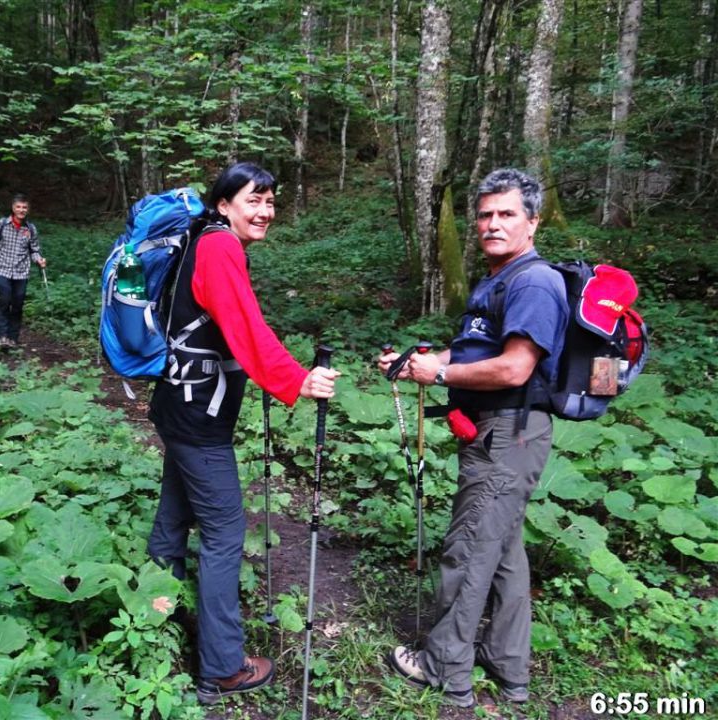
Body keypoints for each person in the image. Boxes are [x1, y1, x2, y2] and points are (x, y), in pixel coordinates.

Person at [146, 162, 340, 705]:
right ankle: (223, 667)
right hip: (198, 418)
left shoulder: (199, 239)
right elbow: (245, 326)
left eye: (272, 202)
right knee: (225, 535)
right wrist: (298, 380)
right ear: (225, 203)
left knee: (172, 520)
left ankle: (154, 623)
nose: (265, 211)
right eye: (254, 200)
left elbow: (227, 325)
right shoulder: (219, 247)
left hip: (177, 405)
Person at [377, 168, 569, 707]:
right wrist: (421, 361)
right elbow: (472, 353)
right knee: (502, 551)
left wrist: (435, 377)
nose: (492, 224)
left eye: (506, 214)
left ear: (532, 222)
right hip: (496, 433)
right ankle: (508, 666)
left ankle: (444, 668)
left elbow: (513, 369)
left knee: (467, 551)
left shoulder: (533, 282)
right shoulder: (498, 279)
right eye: (485, 214)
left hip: (508, 434)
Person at [0, 193, 47, 348]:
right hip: (2, 268)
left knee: (18, 304)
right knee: (5, 300)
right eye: (18, 207)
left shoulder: (31, 229)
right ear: (13, 208)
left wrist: (39, 259)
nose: (21, 210)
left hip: (21, 271)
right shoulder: (2, 224)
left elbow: (34, 250)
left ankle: (13, 337)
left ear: (28, 209)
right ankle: (3, 336)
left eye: (24, 207)